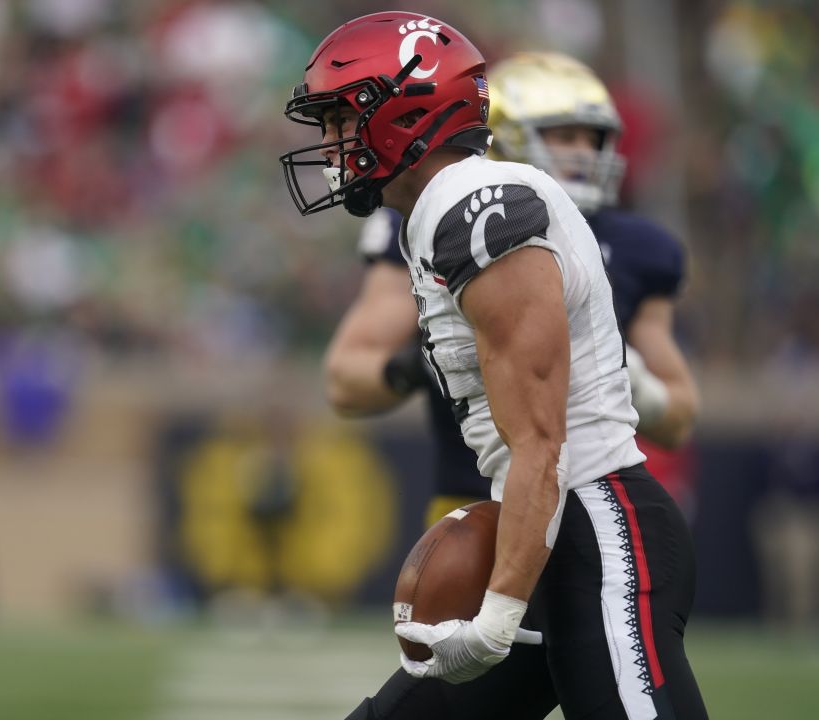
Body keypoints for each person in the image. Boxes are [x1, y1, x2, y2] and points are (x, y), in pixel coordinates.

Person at [281, 12, 707, 719]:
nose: (331, 144)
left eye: (341, 118)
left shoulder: (480, 207)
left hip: (600, 534)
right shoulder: (437, 213)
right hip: (550, 530)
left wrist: (497, 618)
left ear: (402, 112)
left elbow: (542, 444)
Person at [324, 51, 699, 529]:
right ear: (502, 138)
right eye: (562, 136)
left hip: (592, 506)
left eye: (593, 138)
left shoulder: (637, 247)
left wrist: (630, 378)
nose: (583, 153)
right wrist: (419, 366)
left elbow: (680, 418)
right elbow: (345, 381)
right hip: (475, 506)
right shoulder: (433, 223)